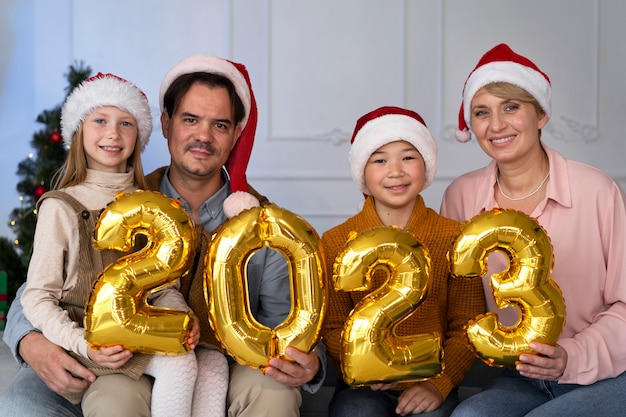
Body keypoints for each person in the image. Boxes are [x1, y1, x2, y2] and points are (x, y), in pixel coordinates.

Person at [1, 73, 229, 417]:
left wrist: (182, 317)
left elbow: (162, 284)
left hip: (134, 330)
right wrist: (84, 344)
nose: (113, 133)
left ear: (139, 135)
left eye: (126, 123)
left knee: (210, 369)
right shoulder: (61, 206)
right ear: (79, 131)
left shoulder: (148, 203)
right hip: (83, 338)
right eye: (100, 121)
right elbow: (37, 294)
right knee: (180, 366)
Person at [441, 43, 626, 417]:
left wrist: (570, 356)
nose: (496, 125)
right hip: (518, 378)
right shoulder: (460, 196)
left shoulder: (597, 190)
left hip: (606, 373)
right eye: (481, 113)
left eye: (511, 107)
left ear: (540, 115)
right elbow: (457, 306)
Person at [145, 54, 327, 417]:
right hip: (145, 356)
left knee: (274, 394)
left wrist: (312, 361)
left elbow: (287, 319)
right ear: (166, 124)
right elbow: (58, 285)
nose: (203, 136)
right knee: (113, 397)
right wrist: (30, 341)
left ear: (236, 135)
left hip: (236, 359)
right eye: (190, 119)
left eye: (220, 125)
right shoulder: (130, 200)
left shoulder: (264, 223)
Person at [321, 106, 485, 417]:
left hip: (431, 382)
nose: (395, 171)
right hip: (363, 386)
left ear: (426, 168)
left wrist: (441, 382)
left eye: (408, 157)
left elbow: (467, 325)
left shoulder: (455, 238)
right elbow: (332, 326)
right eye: (380, 160)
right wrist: (364, 364)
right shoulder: (335, 242)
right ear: (363, 175)